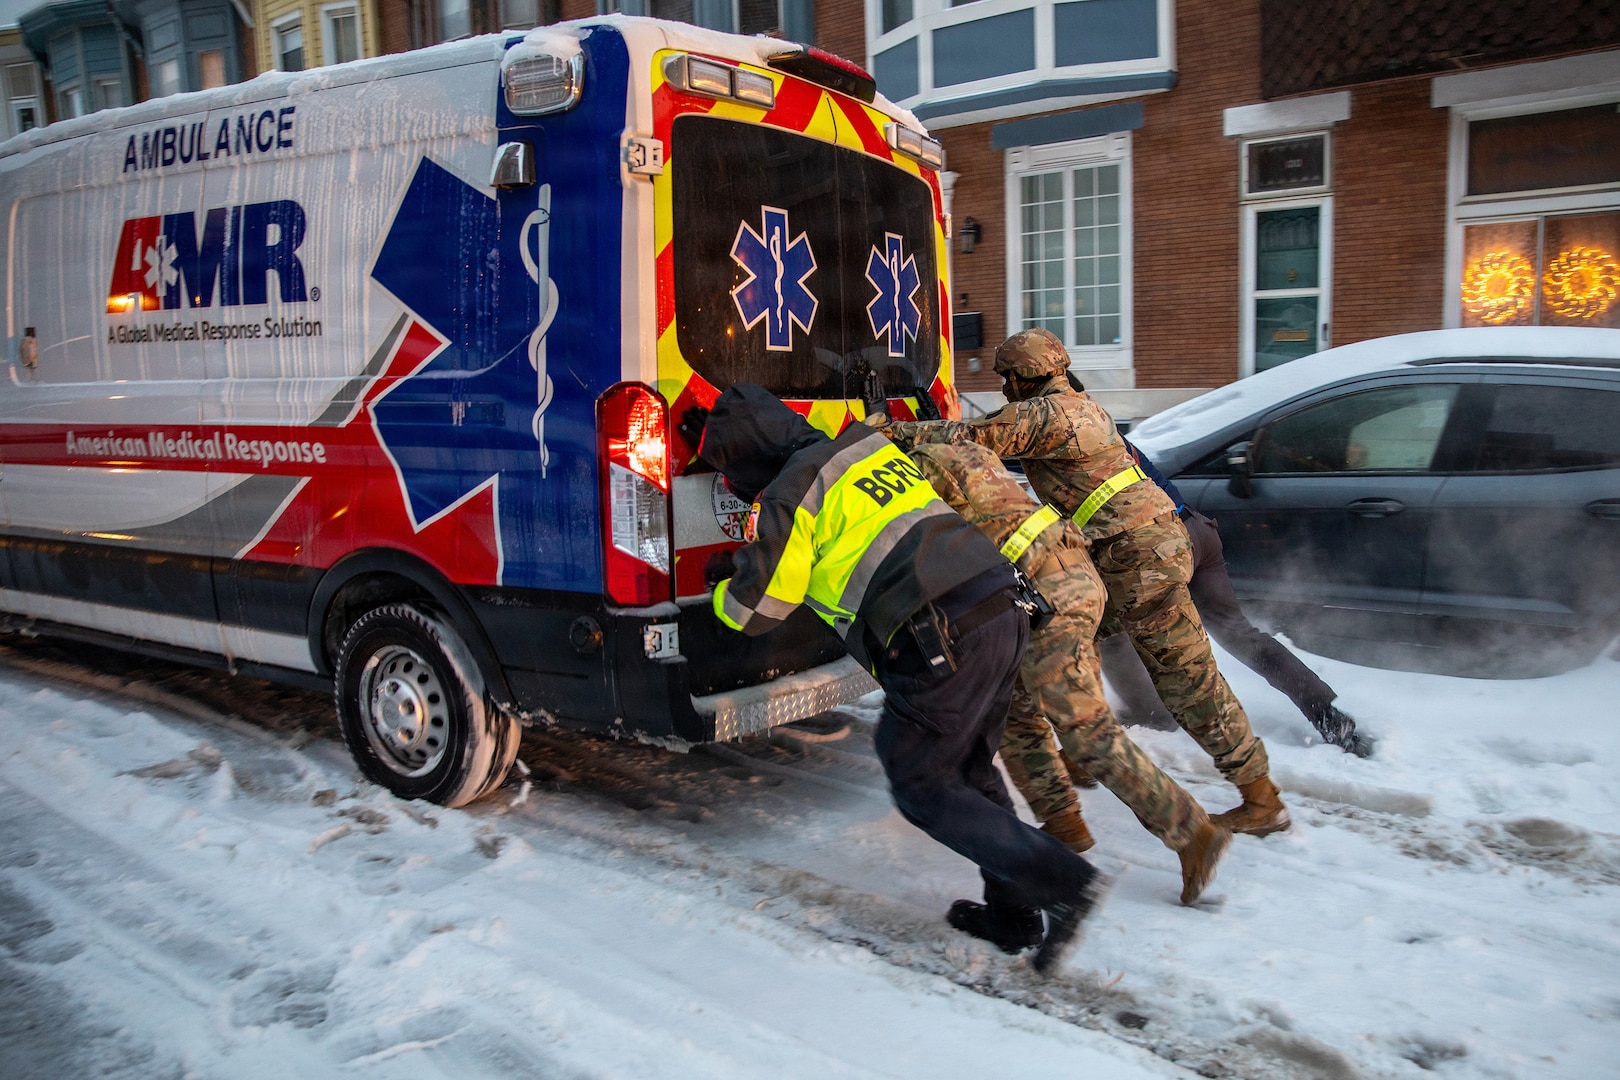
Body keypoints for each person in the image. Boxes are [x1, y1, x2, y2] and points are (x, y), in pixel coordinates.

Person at [696, 383, 1106, 971]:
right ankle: (1013, 915)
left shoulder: (792, 493)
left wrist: (724, 581)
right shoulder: (865, 449)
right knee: (966, 771)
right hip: (1001, 608)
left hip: (942, 633)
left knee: (920, 780)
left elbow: (756, 611)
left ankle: (1063, 883)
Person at [887, 329, 1290, 837]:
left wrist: (886, 432)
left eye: (1006, 378)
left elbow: (969, 439)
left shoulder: (1048, 414)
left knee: (1186, 677)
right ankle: (1081, 753)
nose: (1005, 388)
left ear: (1018, 377)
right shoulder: (1078, 405)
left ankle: (1260, 797)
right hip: (1133, 550)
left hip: (1139, 557)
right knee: (1064, 643)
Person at [904, 440, 1231, 904]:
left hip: (1047, 594)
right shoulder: (958, 449)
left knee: (1084, 730)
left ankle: (1194, 832)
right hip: (1056, 580)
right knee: (1014, 714)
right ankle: (1064, 826)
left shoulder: (913, 471)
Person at [1100, 438, 1374, 757]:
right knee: (1238, 632)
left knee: (1111, 634)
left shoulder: (1068, 442)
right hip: (1198, 530)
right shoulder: (1105, 430)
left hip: (1162, 546)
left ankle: (1151, 717)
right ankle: (1328, 716)